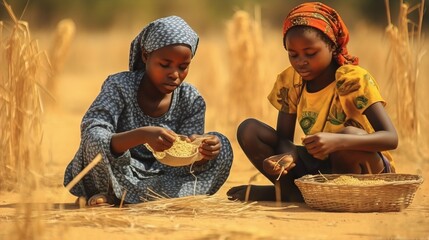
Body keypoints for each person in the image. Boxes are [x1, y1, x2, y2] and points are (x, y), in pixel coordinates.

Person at [227, 2, 398, 202]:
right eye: (293, 54)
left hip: (364, 172)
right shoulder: (291, 80)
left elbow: (390, 138)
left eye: (310, 53)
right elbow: (284, 139)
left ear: (332, 46)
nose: (301, 61)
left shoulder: (352, 80)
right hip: (319, 169)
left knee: (349, 135)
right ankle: (291, 192)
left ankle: (303, 196)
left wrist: (337, 141)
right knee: (249, 129)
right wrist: (286, 157)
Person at [64, 16, 233, 206]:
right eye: (165, 64)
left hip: (164, 177)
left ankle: (125, 198)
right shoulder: (119, 86)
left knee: (223, 145)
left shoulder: (191, 99)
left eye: (183, 67)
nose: (175, 74)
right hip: (119, 171)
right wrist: (142, 135)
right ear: (145, 55)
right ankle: (113, 192)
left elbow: (183, 164)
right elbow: (92, 129)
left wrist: (201, 151)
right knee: (95, 138)